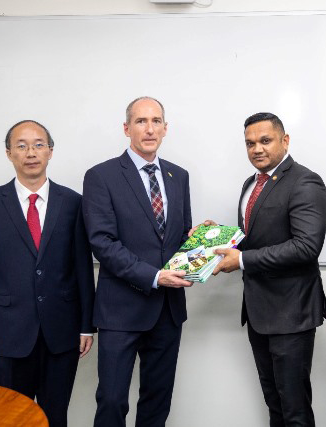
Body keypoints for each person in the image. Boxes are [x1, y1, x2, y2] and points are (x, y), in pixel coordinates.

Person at [0, 120, 95, 427]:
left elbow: (83, 268)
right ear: (9, 153)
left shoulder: (74, 203)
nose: (31, 152)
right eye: (21, 145)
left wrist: (86, 327)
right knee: (11, 419)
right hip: (9, 332)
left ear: (50, 152)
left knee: (55, 417)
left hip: (61, 332)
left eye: (39, 144)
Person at [212, 112, 326, 427]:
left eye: (265, 141)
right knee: (274, 404)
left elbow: (306, 247)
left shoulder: (305, 181)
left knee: (294, 410)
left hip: (291, 314)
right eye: (250, 143)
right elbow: (256, 237)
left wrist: (242, 260)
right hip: (259, 312)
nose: (257, 149)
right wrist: (216, 237)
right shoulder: (251, 184)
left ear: (285, 140)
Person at [82, 97, 193, 427]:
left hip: (168, 311)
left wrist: (200, 241)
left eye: (156, 121)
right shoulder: (101, 176)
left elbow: (179, 239)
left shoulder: (178, 176)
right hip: (121, 310)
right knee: (113, 400)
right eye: (141, 121)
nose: (149, 128)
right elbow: (102, 242)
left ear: (165, 128)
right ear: (126, 128)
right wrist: (155, 276)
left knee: (157, 400)